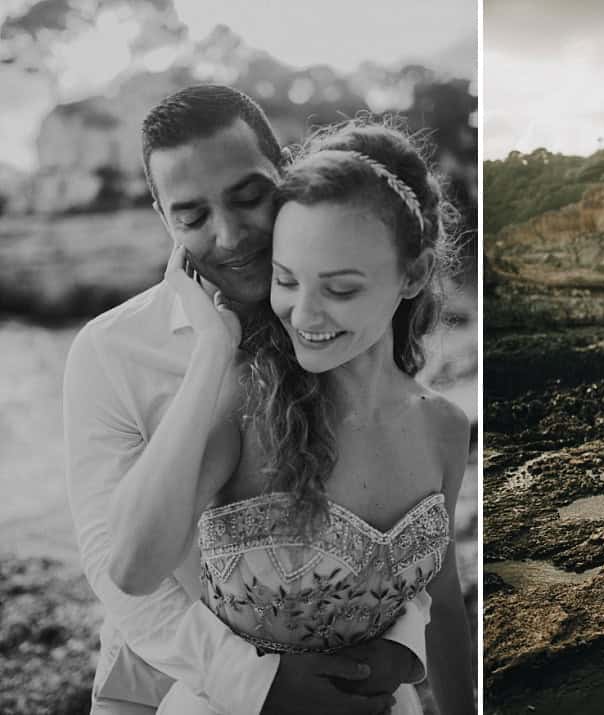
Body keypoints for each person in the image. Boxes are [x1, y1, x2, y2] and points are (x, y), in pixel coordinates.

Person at [64, 86, 432, 715]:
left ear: (283, 173)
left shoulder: (345, 319)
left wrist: (404, 637)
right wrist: (258, 683)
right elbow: (114, 567)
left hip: (347, 678)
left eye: (248, 197)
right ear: (162, 217)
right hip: (158, 682)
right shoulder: (110, 353)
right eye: (192, 216)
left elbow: (401, 496)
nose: (230, 235)